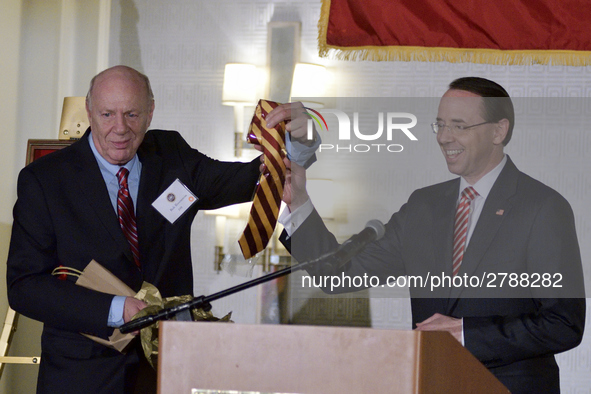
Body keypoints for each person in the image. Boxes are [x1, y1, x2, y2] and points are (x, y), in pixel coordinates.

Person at [6, 65, 316, 393]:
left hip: (165, 371)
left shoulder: (171, 156)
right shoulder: (45, 180)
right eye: (107, 114)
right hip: (81, 377)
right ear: (89, 111)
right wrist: (114, 309)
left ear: (151, 112)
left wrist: (297, 143)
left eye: (132, 114)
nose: (120, 128)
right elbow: (24, 287)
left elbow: (248, 178)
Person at [279, 77, 586, 393]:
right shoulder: (422, 207)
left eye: (458, 126)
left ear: (498, 130)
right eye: (439, 125)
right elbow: (338, 276)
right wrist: (299, 200)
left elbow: (564, 323)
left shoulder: (543, 207)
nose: (443, 137)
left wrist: (466, 335)